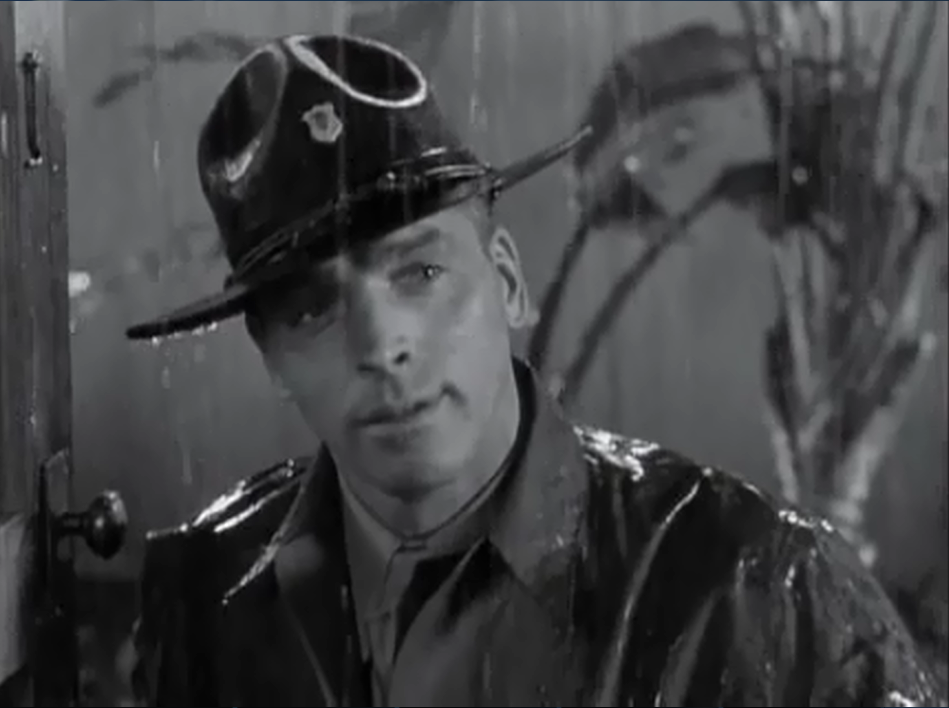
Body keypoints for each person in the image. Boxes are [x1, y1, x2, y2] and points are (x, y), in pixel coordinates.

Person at [124, 34, 944, 707]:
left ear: (508, 282)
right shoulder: (205, 594)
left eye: (419, 272)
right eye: (313, 310)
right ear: (271, 358)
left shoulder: (754, 589)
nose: (381, 346)